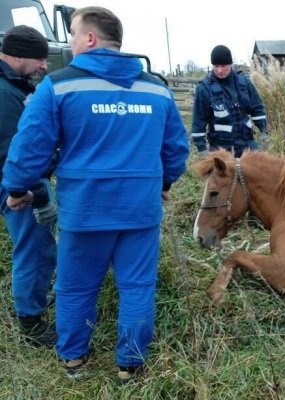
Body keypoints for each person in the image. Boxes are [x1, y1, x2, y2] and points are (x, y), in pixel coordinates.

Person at [2, 7, 189, 381]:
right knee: (137, 286)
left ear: (89, 39)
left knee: (75, 286)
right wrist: (164, 184)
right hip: (140, 209)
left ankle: (73, 359)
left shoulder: (58, 86)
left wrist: (17, 189)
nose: (69, 42)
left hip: (85, 210)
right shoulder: (156, 88)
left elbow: (29, 149)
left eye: (72, 34)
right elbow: (175, 150)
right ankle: (130, 365)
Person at [0, 25, 57, 348]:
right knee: (34, 249)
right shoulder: (7, 95)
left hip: (19, 184)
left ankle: (34, 299)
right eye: (39, 58)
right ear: (18, 55)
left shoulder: (14, 86)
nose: (44, 66)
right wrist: (34, 193)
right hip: (16, 190)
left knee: (38, 246)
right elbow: (14, 156)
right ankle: (30, 322)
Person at [191, 45, 268, 158]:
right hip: (220, 147)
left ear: (231, 64)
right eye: (216, 66)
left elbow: (257, 108)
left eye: (223, 65)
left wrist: (263, 131)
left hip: (246, 143)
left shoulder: (245, 83)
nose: (219, 70)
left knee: (261, 170)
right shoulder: (204, 88)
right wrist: (201, 148)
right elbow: (198, 120)